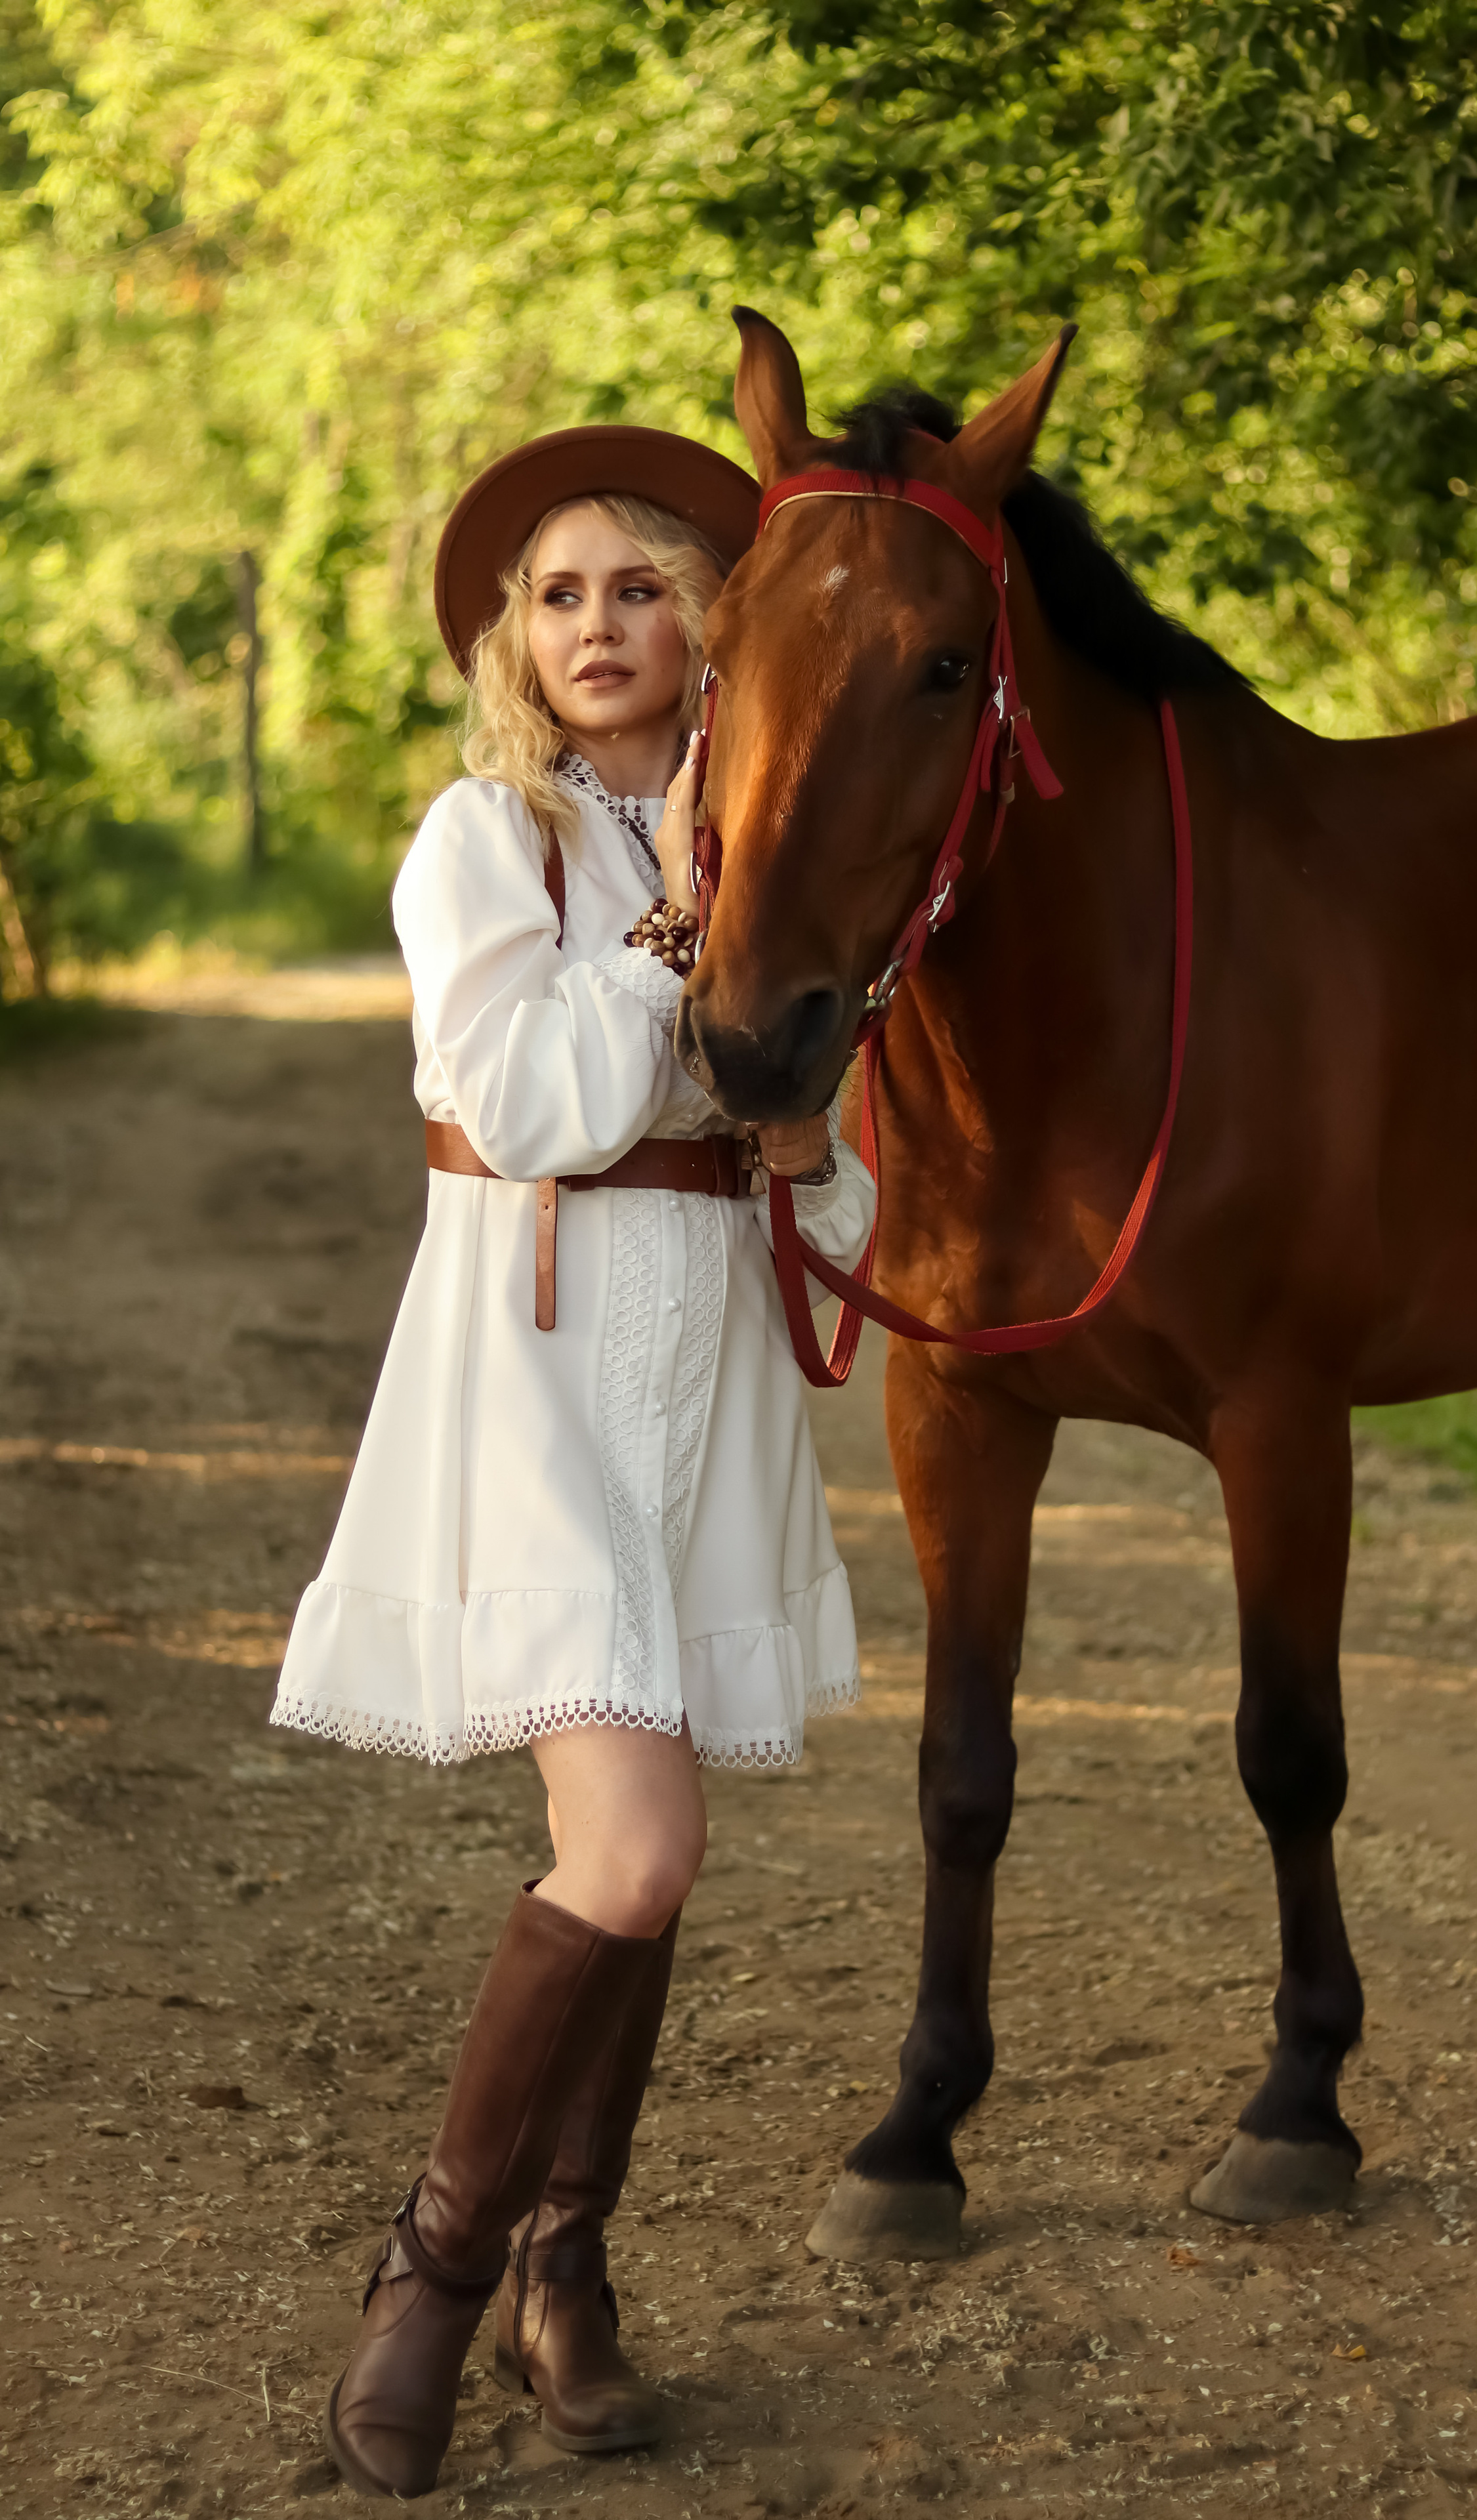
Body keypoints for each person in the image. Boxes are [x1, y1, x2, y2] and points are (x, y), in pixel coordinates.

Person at [268, 425, 876, 2500]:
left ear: (708, 631)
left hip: (703, 1391)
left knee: (651, 1858)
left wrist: (806, 1139)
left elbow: (838, 1213)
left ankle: (569, 2273)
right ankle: (436, 2277)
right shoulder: (487, 842)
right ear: (512, 645)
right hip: (529, 1388)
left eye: (638, 591)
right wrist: (671, 925)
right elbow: (526, 1106)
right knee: (631, 1850)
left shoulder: (773, 852)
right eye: (557, 597)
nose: (596, 626)